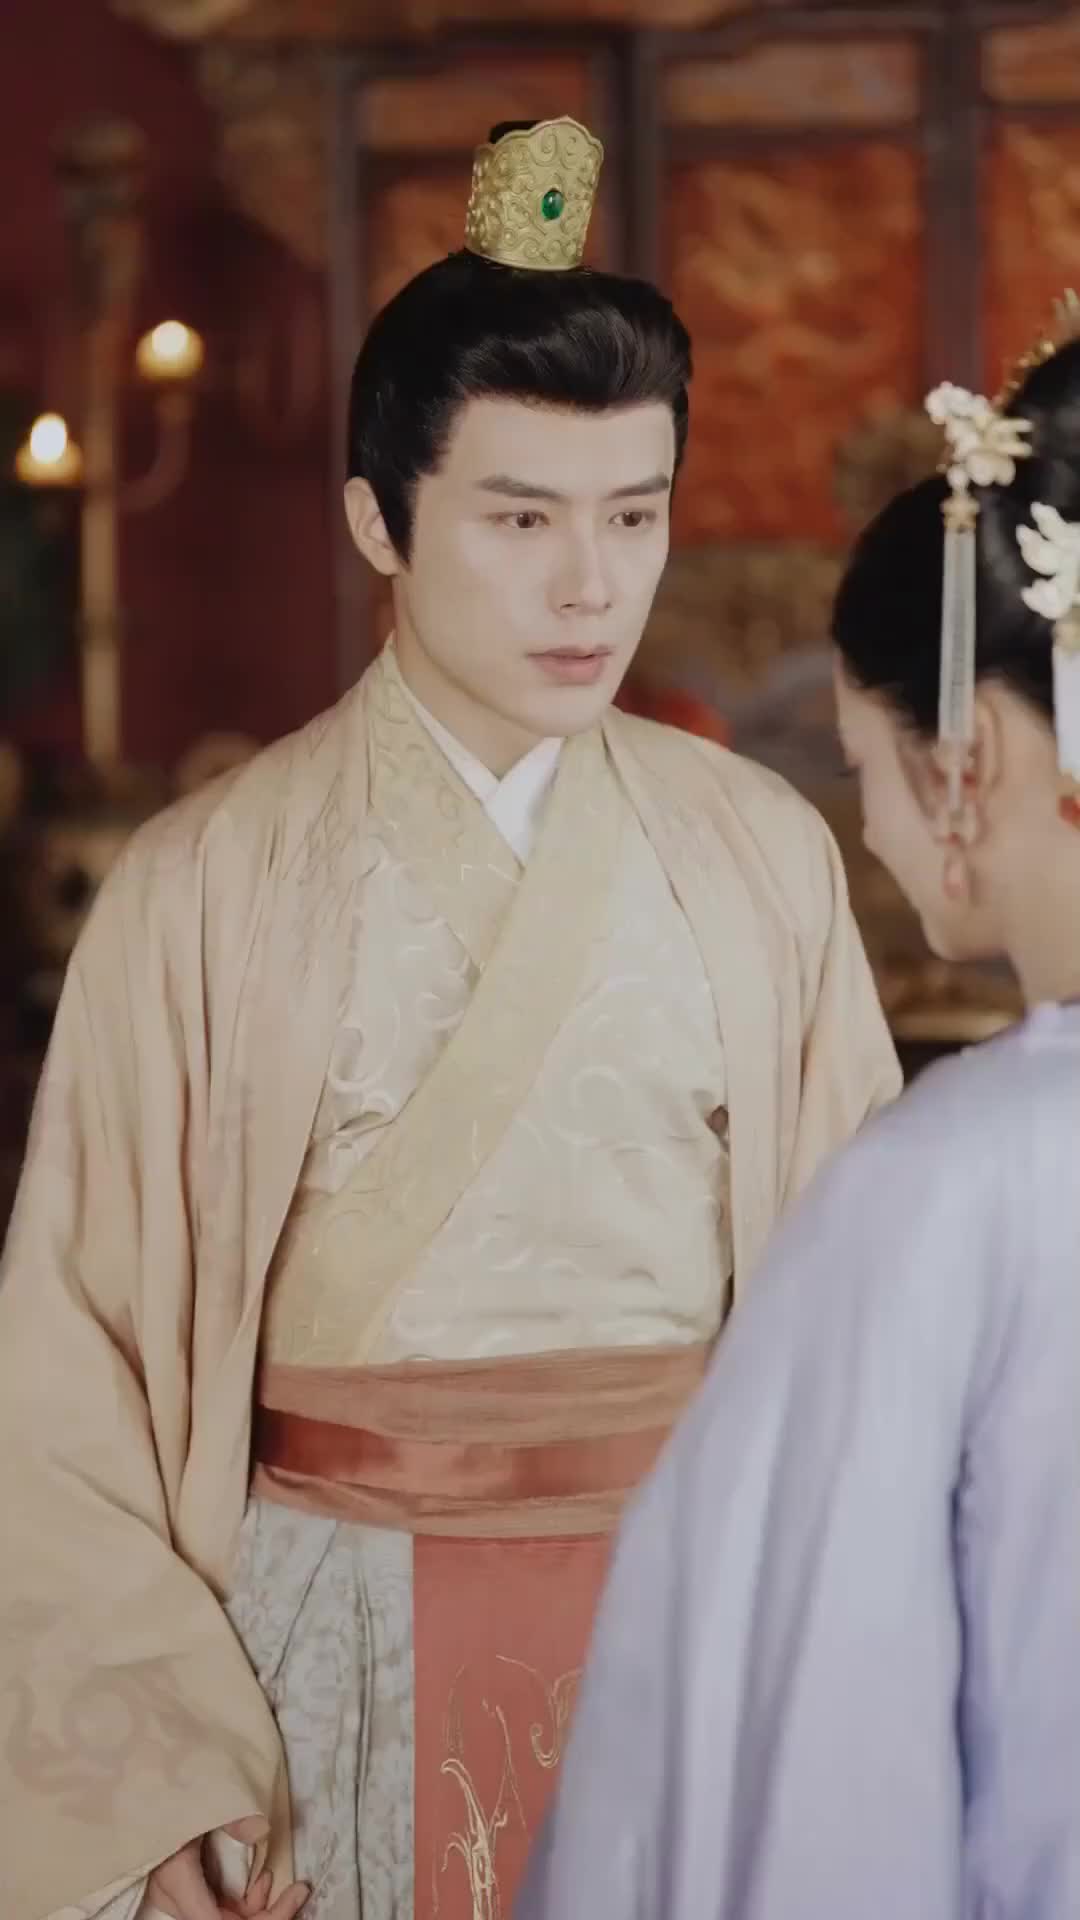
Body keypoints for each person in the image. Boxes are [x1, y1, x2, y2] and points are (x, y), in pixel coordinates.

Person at [0, 117, 898, 1920]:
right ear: (378, 522)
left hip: (690, 1628)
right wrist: (157, 1780)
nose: (592, 586)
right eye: (520, 517)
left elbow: (862, 1329)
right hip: (322, 1653)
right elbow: (65, 1376)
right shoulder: (204, 884)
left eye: (634, 514)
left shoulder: (762, 856)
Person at [516, 317, 1080, 1920]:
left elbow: (803, 1793)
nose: (874, 830)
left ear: (963, 763)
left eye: (862, 767)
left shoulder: (951, 1187)